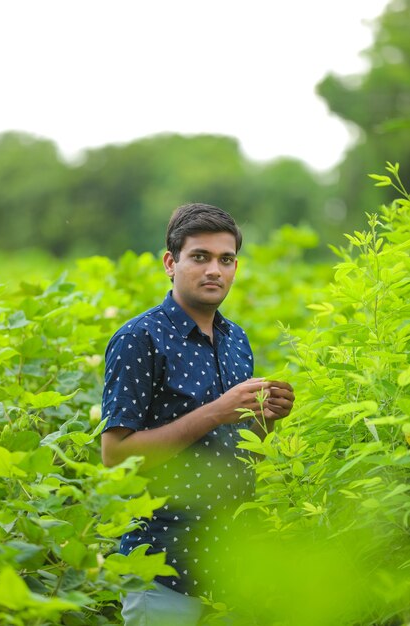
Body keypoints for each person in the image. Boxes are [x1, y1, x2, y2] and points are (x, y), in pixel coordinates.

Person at [101, 203, 295, 625]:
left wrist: (266, 420)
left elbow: (237, 450)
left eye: (225, 260)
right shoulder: (139, 338)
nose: (214, 270)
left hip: (230, 564)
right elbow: (115, 455)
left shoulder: (235, 338)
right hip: (162, 567)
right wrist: (216, 411)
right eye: (200, 257)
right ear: (171, 263)